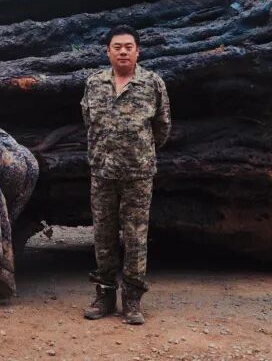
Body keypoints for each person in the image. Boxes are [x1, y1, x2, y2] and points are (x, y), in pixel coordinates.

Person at [80, 24, 171, 324]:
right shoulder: (94, 83)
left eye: (128, 47)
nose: (123, 52)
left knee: (135, 236)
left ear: (137, 52)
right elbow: (88, 121)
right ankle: (105, 295)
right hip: (102, 172)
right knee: (103, 235)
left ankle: (132, 300)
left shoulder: (152, 83)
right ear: (108, 52)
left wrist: (139, 151)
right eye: (117, 47)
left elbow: (162, 127)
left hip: (138, 174)